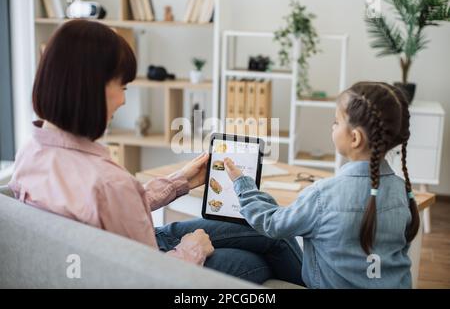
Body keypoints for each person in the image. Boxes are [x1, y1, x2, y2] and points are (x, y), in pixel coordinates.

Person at [8, 19, 303, 285]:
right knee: (260, 252)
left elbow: (99, 212)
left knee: (259, 226)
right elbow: (146, 280)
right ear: (91, 88)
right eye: (122, 87)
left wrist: (180, 182)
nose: (124, 100)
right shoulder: (107, 181)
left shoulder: (32, 151)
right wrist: (192, 250)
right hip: (139, 266)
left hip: (101, 257)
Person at [224, 82, 420, 288]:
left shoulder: (323, 196)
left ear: (355, 138)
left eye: (336, 122)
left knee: (254, 252)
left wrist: (242, 183)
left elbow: (272, 223)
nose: (332, 126)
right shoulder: (402, 192)